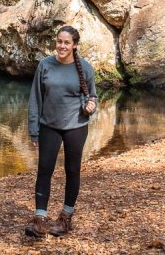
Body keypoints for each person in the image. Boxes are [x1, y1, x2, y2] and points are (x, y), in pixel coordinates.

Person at [24, 25, 98, 238]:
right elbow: (35, 99)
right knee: (44, 170)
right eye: (59, 42)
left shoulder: (84, 68)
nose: (62, 46)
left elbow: (92, 96)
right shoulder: (45, 65)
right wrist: (33, 129)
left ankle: (66, 218)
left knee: (72, 170)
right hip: (49, 126)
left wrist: (91, 106)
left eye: (66, 42)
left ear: (74, 45)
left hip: (76, 126)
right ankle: (39, 220)